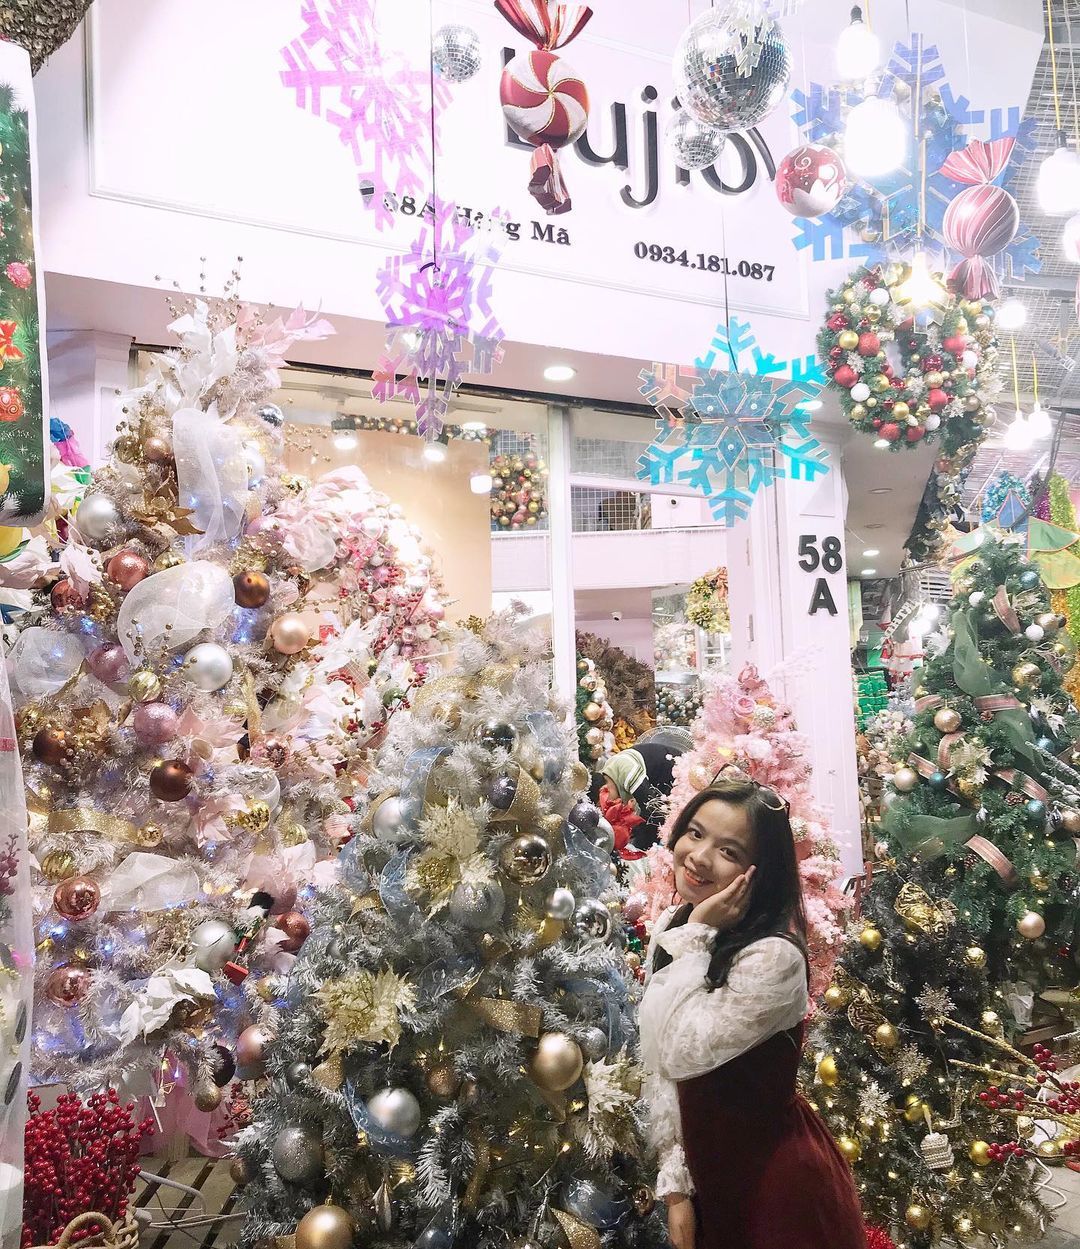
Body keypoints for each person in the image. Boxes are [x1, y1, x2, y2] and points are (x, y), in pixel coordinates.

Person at [639, 774, 867, 1249]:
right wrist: (676, 1188)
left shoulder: (772, 957)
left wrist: (697, 934)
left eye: (729, 851)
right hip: (708, 1177)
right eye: (695, 833)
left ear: (759, 872)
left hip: (773, 1188)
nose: (699, 857)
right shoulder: (677, 925)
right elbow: (657, 1068)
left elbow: (678, 1054)